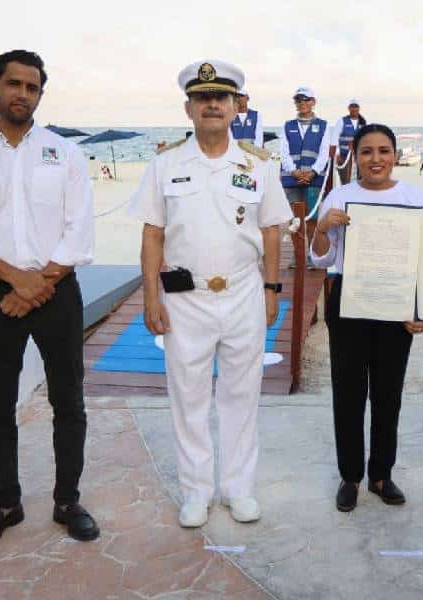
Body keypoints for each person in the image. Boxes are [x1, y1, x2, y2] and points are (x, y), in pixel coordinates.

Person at [129, 59, 292, 528]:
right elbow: (152, 235)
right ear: (189, 107)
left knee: (242, 395)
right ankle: (196, 492)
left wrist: (271, 288)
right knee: (188, 397)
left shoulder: (258, 166)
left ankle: (238, 489)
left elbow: (271, 232)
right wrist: (150, 298)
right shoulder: (165, 165)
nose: (212, 105)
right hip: (184, 297)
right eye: (203, 98)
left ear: (237, 106)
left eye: (221, 97)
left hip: (243, 291)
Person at [0, 50, 98, 551]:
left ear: (40, 94)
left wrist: (36, 286)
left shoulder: (66, 154)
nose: (22, 95)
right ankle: (7, 504)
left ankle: (67, 501)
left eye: (32, 87)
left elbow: (78, 232)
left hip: (57, 289)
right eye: (14, 84)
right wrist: (17, 282)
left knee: (68, 401)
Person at [310, 123, 423, 512]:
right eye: (366, 152)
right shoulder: (340, 195)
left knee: (387, 394)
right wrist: (323, 228)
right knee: (347, 394)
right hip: (349, 299)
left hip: (396, 304)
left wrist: (421, 309)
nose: (375, 159)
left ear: (395, 155)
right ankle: (351, 476)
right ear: (355, 157)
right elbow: (320, 258)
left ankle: (381, 474)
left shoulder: (414, 197)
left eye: (383, 151)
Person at [279, 86, 329, 268]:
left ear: (313, 102)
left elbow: (324, 153)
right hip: (292, 180)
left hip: (313, 180)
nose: (302, 103)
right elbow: (283, 152)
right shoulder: (287, 126)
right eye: (298, 100)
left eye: (306, 99)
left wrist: (313, 171)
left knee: (312, 218)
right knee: (295, 219)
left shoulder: (323, 126)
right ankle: (297, 255)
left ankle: (311, 255)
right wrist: (294, 171)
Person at [330, 98, 366, 184]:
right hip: (344, 158)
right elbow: (334, 139)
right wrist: (337, 155)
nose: (354, 109)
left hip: (359, 159)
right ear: (349, 108)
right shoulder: (342, 121)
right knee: (346, 182)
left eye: (356, 106)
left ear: (359, 108)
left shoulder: (363, 123)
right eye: (352, 106)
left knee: (360, 182)